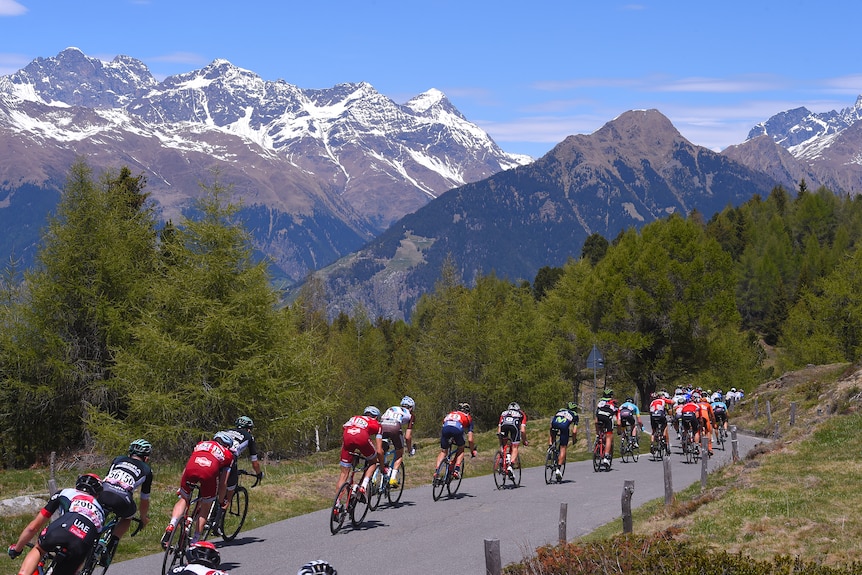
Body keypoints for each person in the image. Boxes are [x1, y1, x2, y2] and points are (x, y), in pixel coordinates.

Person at [8, 473, 106, 575]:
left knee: (39, 549)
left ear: (77, 485)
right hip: (83, 540)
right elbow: (91, 546)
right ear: (98, 494)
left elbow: (33, 527)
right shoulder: (101, 512)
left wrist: (17, 549)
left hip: (64, 527)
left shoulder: (65, 492)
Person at [162, 432, 235, 549]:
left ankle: (171, 525)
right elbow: (223, 483)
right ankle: (195, 541)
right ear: (227, 446)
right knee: (206, 506)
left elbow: (187, 466)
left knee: (184, 499)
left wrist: (181, 488)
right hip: (208, 472)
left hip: (192, 468)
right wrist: (221, 501)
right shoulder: (228, 454)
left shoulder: (201, 444)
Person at [97, 438, 154, 566]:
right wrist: (143, 517)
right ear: (146, 458)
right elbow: (144, 499)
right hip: (122, 499)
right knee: (127, 518)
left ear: (130, 454)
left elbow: (107, 478)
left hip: (103, 492)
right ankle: (111, 544)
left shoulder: (118, 459)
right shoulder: (147, 470)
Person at [214, 416, 264, 533]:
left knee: (214, 487)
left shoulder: (226, 431)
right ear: (249, 428)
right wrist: (259, 474)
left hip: (214, 456)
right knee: (229, 491)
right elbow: (255, 462)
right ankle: (217, 522)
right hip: (229, 459)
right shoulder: (249, 437)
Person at [336, 406, 384, 503]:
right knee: (373, 462)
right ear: (376, 417)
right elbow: (379, 450)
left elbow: (346, 430)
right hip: (362, 437)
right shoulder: (377, 424)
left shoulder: (354, 418)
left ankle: (337, 505)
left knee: (344, 474)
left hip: (347, 437)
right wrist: (382, 465)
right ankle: (363, 486)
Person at [379, 396, 416, 487]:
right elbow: (407, 437)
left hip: (382, 426)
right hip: (394, 427)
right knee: (399, 453)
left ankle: (375, 478)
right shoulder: (411, 415)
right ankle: (392, 478)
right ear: (411, 408)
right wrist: (410, 449)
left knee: (382, 450)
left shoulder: (392, 408)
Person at [436, 402, 476, 480]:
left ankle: (436, 472)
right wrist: (472, 451)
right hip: (457, 429)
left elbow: (445, 424)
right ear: (468, 411)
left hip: (446, 428)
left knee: (444, 451)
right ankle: (457, 470)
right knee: (461, 449)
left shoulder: (450, 413)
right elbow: (470, 439)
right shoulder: (468, 417)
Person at [548, 401, 579, 481]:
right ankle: (558, 469)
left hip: (554, 424)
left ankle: (550, 447)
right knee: (563, 448)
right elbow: (574, 431)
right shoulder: (575, 415)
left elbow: (551, 423)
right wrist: (574, 439)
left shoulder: (561, 410)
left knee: (552, 432)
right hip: (564, 427)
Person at [497, 402, 527, 478]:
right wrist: (524, 441)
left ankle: (501, 459)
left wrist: (500, 439)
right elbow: (522, 430)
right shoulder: (521, 413)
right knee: (515, 447)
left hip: (504, 426)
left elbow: (499, 427)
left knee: (503, 444)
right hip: (514, 426)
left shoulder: (504, 413)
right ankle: (510, 465)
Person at [595, 388, 618, 469]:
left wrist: (597, 431)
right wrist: (619, 430)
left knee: (599, 430)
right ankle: (606, 457)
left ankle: (598, 437)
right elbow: (618, 421)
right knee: (609, 437)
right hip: (607, 418)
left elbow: (596, 417)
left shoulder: (600, 402)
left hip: (599, 416)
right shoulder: (613, 402)